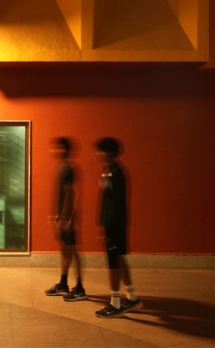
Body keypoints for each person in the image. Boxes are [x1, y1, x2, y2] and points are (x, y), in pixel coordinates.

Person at [94, 136, 142, 318]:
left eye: (100, 150)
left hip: (114, 226)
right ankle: (132, 297)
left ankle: (115, 304)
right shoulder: (109, 171)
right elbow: (106, 202)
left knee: (113, 263)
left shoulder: (116, 173)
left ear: (108, 152)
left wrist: (107, 228)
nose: (97, 154)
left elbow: (115, 205)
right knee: (119, 258)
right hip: (113, 224)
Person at [44, 137, 87, 301]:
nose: (53, 151)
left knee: (74, 251)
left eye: (56, 148)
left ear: (63, 149)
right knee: (65, 251)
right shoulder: (61, 168)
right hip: (62, 217)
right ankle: (63, 283)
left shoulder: (69, 168)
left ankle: (80, 288)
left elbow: (72, 193)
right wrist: (56, 215)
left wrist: (67, 217)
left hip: (68, 217)